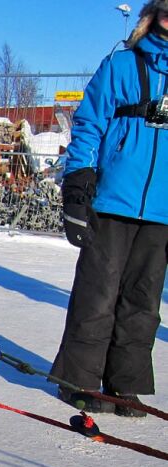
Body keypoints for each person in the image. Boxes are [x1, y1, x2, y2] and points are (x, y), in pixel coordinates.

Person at [52, 0, 168, 417]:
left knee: (143, 301)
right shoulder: (121, 64)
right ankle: (78, 382)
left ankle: (125, 386)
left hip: (162, 212)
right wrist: (78, 182)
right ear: (151, 17)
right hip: (113, 201)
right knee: (97, 295)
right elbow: (90, 122)